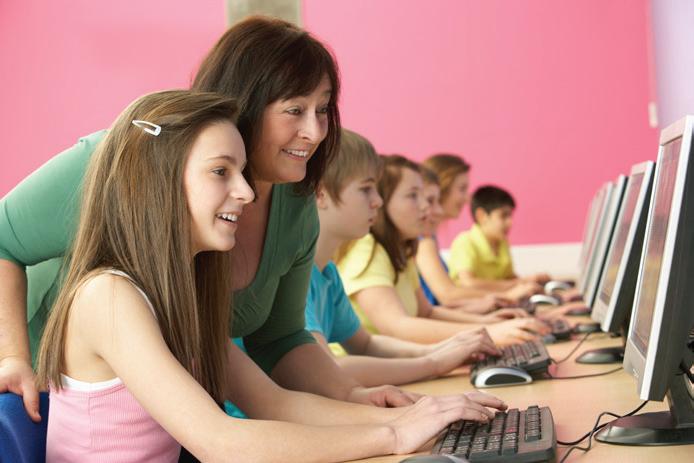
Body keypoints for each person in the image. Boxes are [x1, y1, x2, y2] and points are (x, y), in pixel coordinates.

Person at [35, 90, 507, 462]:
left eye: (241, 172)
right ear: (157, 183)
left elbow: (275, 403)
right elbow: (218, 443)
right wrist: (395, 435)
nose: (245, 191)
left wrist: (409, 414)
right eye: (220, 171)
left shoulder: (181, 295)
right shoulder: (108, 295)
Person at [0, 17, 410, 423]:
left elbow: (280, 339)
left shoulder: (294, 203)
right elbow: (3, 239)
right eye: (294, 110)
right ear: (246, 104)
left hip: (161, 423)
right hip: (43, 399)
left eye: (322, 110)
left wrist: (353, 397)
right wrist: (12, 358)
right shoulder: (123, 160)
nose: (315, 131)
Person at [309, 129, 500, 387]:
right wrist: (434, 363)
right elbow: (325, 370)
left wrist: (445, 349)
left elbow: (365, 344)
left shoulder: (328, 272)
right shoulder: (298, 276)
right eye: (366, 189)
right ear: (320, 194)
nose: (377, 201)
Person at [336, 155, 549, 346]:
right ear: (382, 202)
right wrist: (487, 331)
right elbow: (397, 326)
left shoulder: (402, 250)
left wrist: (488, 322)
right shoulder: (368, 248)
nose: (426, 207)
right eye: (413, 196)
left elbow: (426, 312)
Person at [416, 154, 541, 309]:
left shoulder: (430, 237)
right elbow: (447, 295)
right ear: (441, 189)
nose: (467, 199)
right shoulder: (424, 239)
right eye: (462, 189)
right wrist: (508, 295)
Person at [448, 185, 551, 291]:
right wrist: (521, 282)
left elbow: (509, 279)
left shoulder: (502, 243)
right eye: (503, 216)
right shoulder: (465, 241)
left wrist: (531, 283)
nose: (510, 223)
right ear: (481, 216)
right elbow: (468, 283)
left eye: (510, 216)